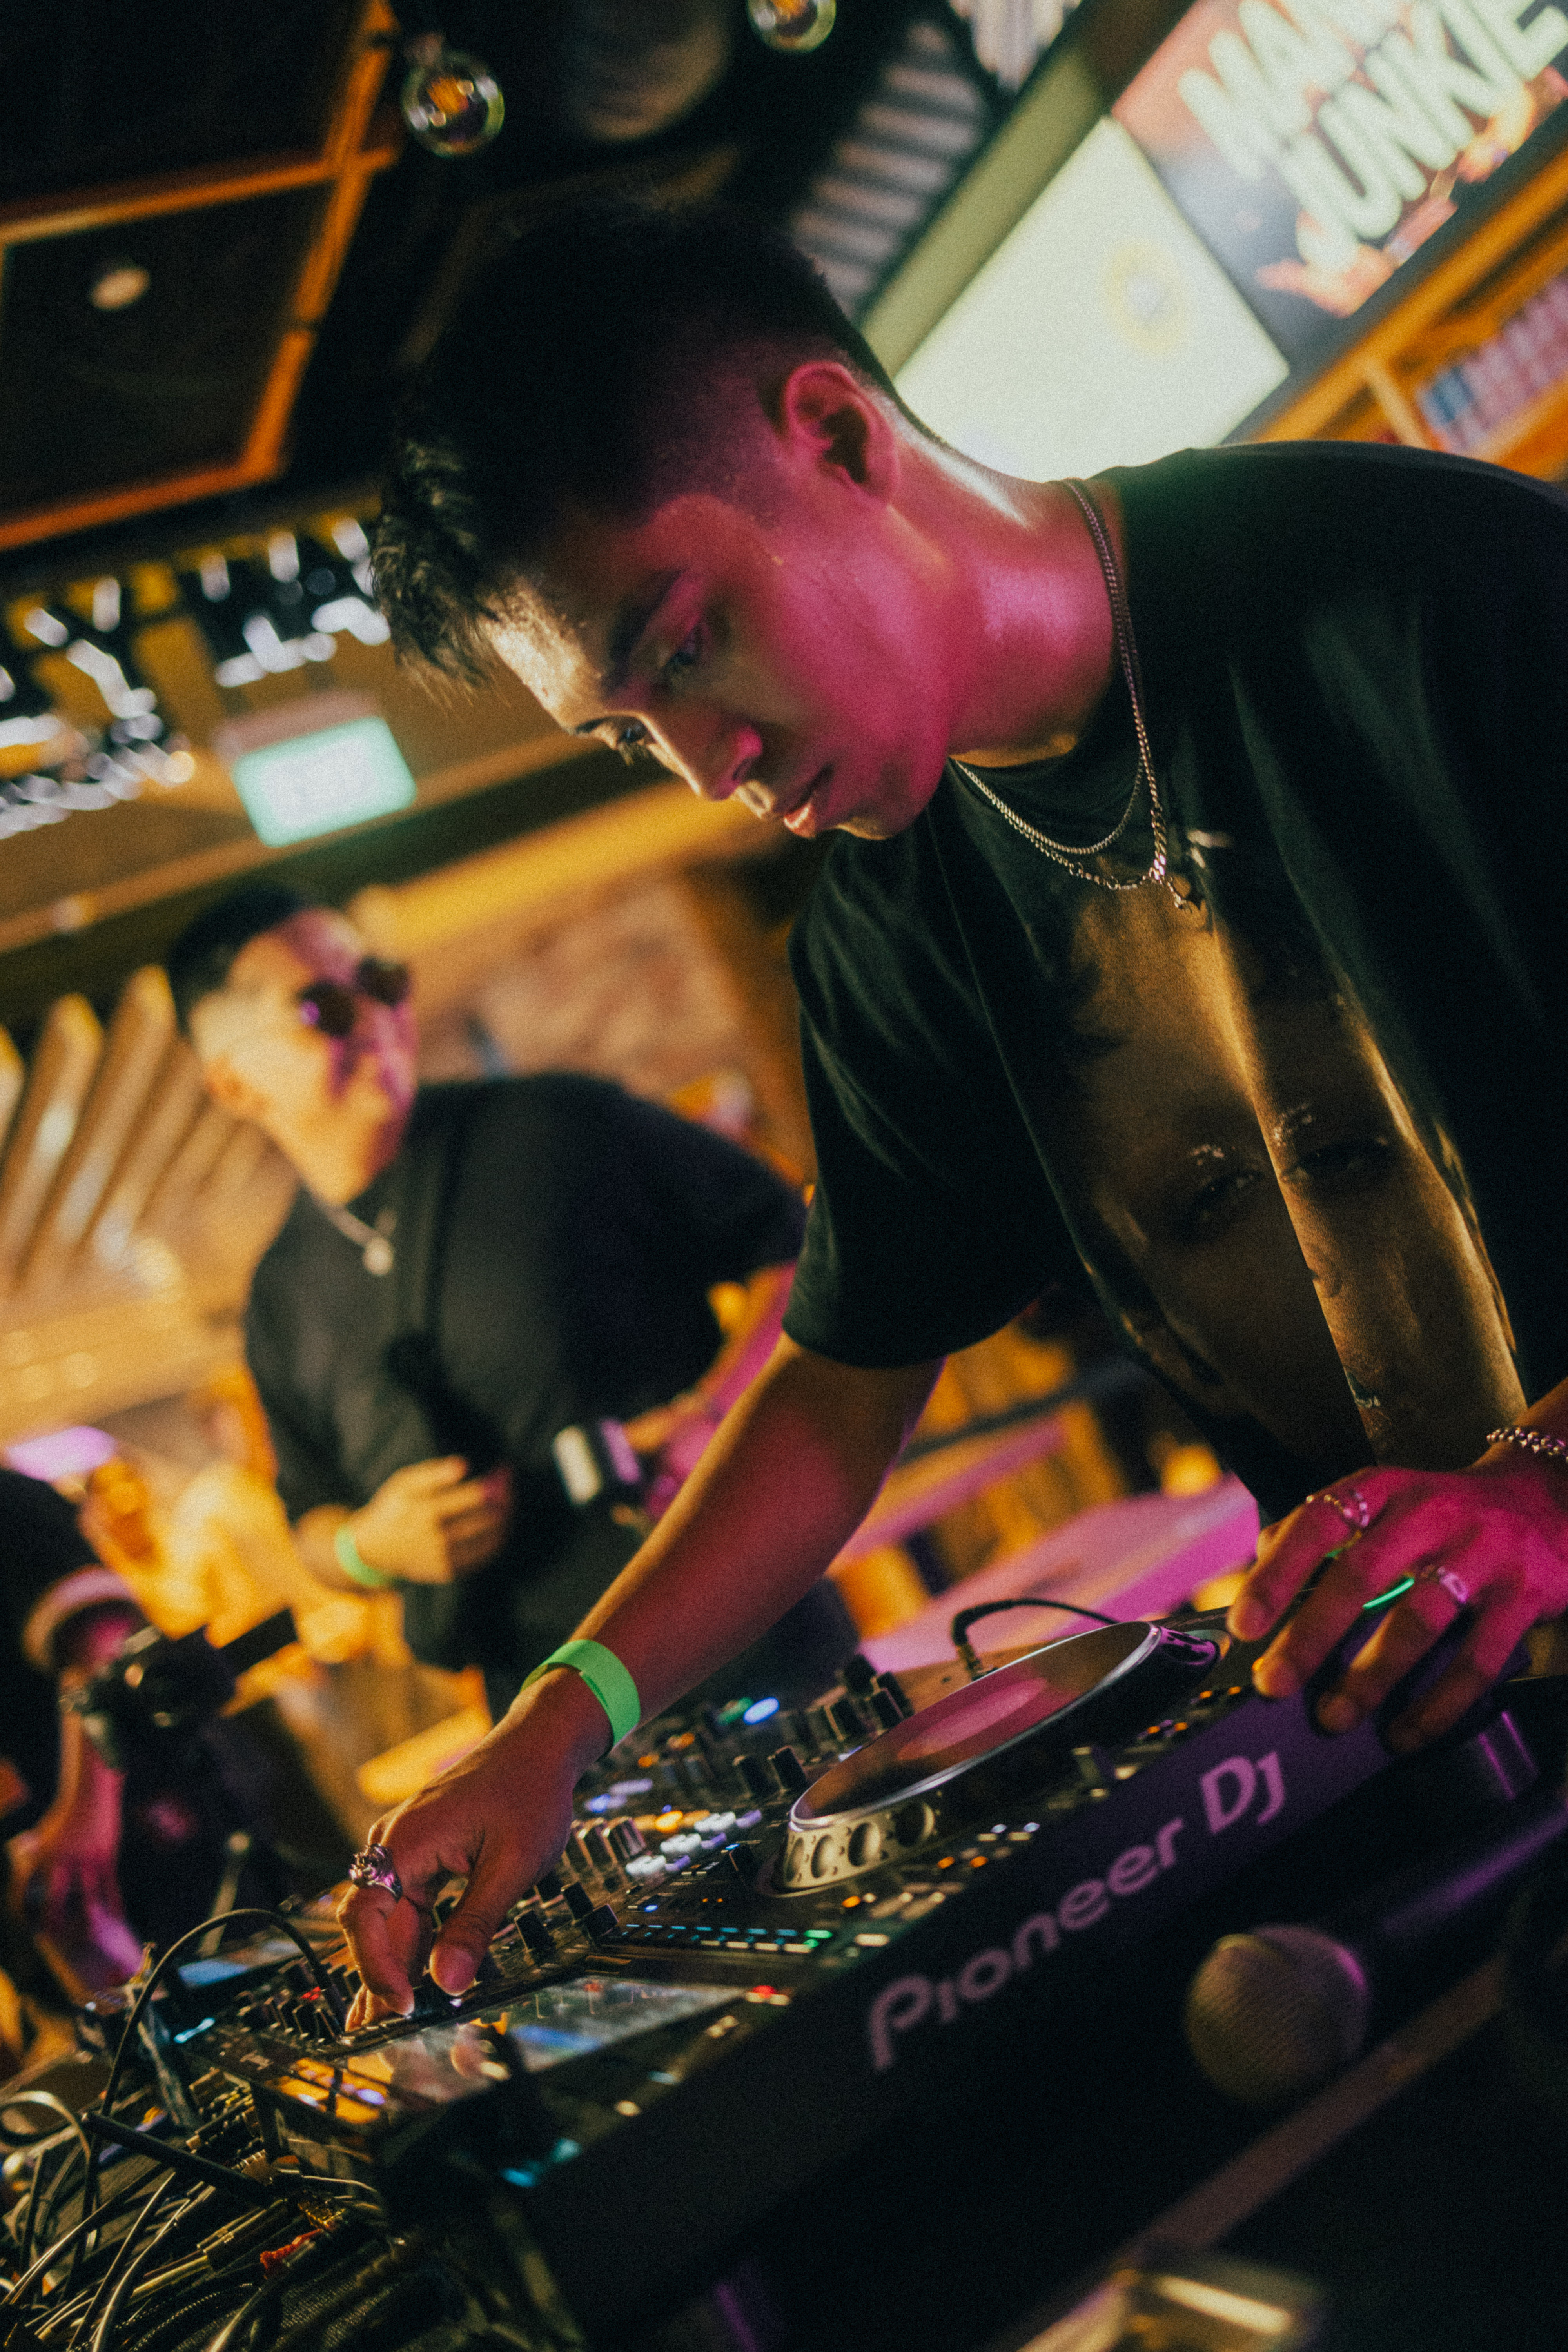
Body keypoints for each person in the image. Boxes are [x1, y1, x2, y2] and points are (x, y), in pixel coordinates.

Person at [338, 198, 1568, 2021]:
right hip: (1451, 1731)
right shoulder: (892, 928)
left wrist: (1540, 1488)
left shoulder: (1417, 587)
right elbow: (842, 1385)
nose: (705, 768)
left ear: (836, 436)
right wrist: (558, 1725)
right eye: (627, 731)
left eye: (688, 644)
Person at [169, 885, 811, 1726]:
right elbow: (312, 1523)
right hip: (549, 1720)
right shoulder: (279, 1302)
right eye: (322, 1007)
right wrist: (371, 1547)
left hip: (746, 1628)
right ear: (235, 1085)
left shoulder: (558, 1125)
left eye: (380, 982)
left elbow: (795, 1245)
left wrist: (713, 1415)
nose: (375, 1018)